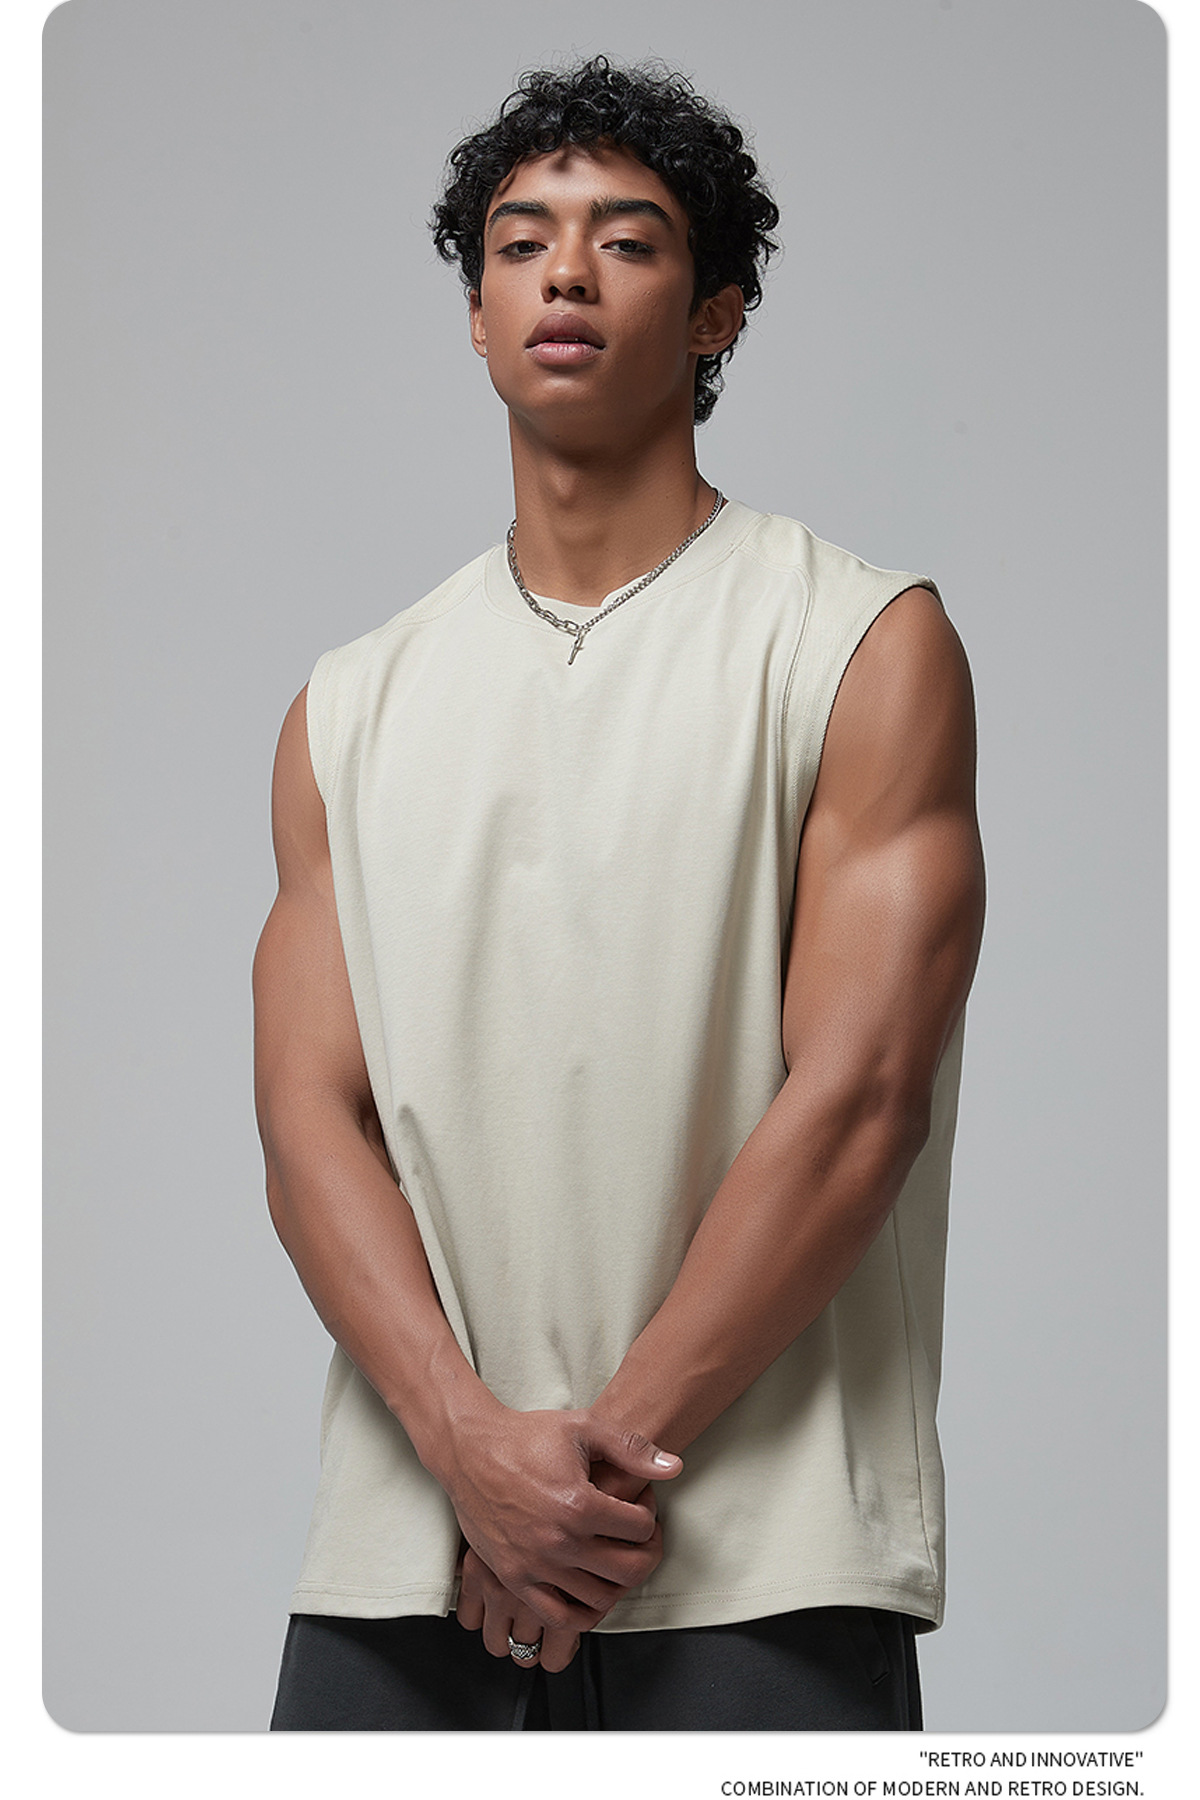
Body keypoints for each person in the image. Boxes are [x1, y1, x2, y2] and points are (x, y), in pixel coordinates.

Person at [253, 55, 985, 1733]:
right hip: (407, 1554)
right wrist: (468, 1452)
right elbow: (307, 1125)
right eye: (520, 244)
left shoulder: (859, 643)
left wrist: (572, 1493)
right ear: (477, 313)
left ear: (717, 313)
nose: (565, 274)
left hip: (758, 1559)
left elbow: (860, 1101)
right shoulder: (346, 706)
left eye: (628, 241)